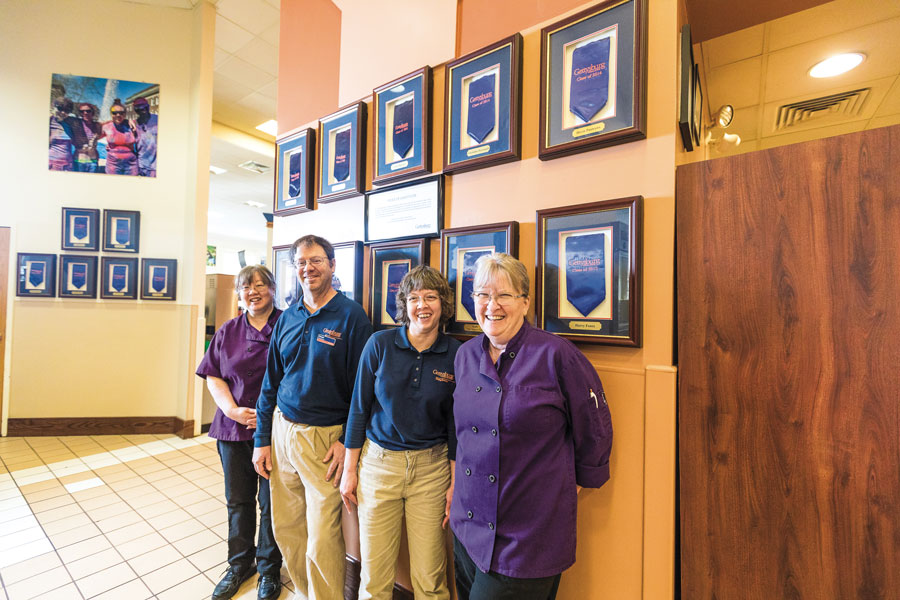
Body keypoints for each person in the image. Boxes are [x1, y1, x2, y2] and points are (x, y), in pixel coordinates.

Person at [450, 253, 613, 600]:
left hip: (527, 540)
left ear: (525, 302)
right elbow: (463, 436)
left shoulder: (557, 355)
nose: (492, 305)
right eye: (482, 295)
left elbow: (594, 428)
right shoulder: (465, 356)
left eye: (504, 295)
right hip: (468, 530)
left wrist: (569, 486)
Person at [252, 235, 373, 600]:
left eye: (316, 260)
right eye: (301, 262)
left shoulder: (352, 317)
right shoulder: (288, 317)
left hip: (324, 441)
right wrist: (261, 439)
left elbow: (363, 392)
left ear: (332, 265)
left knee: (322, 538)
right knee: (286, 528)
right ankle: (306, 593)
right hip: (282, 431)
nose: (308, 268)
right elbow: (270, 382)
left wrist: (347, 443)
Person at [341, 266, 461, 600]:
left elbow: (456, 425)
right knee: (374, 578)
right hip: (379, 467)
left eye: (431, 297)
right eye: (414, 298)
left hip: (432, 471)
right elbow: (358, 410)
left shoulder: (456, 354)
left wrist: (454, 482)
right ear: (404, 305)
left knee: (430, 580)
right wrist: (349, 471)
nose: (422, 305)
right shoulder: (379, 344)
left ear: (443, 304)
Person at [196, 265, 284, 600]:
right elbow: (213, 375)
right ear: (239, 293)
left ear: (273, 289)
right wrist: (231, 410)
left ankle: (269, 569)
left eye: (261, 285)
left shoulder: (288, 325)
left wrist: (269, 414)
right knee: (238, 501)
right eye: (246, 287)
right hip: (232, 430)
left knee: (271, 502)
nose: (254, 291)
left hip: (275, 430)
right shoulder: (228, 330)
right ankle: (238, 565)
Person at [101, 98, 138, 175]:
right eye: (115, 113)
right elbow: (92, 134)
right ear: (111, 114)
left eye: (121, 113)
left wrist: (129, 120)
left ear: (125, 114)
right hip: (113, 164)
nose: (118, 115)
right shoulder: (106, 126)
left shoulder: (132, 125)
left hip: (131, 164)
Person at [71, 103, 101, 173]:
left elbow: (111, 123)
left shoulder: (97, 125)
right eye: (82, 111)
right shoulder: (76, 124)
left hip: (93, 161)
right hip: (79, 160)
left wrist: (127, 121)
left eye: (88, 111)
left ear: (92, 112)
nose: (85, 113)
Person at [133, 97, 158, 176]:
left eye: (144, 106)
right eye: (138, 108)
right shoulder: (134, 124)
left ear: (148, 106)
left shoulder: (158, 119)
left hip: (155, 167)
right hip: (140, 166)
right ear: (135, 110)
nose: (142, 109)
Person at [48, 98, 75, 171]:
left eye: (67, 110)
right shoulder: (49, 121)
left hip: (68, 165)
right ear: (54, 107)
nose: (63, 112)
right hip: (53, 164)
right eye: (60, 108)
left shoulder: (70, 123)